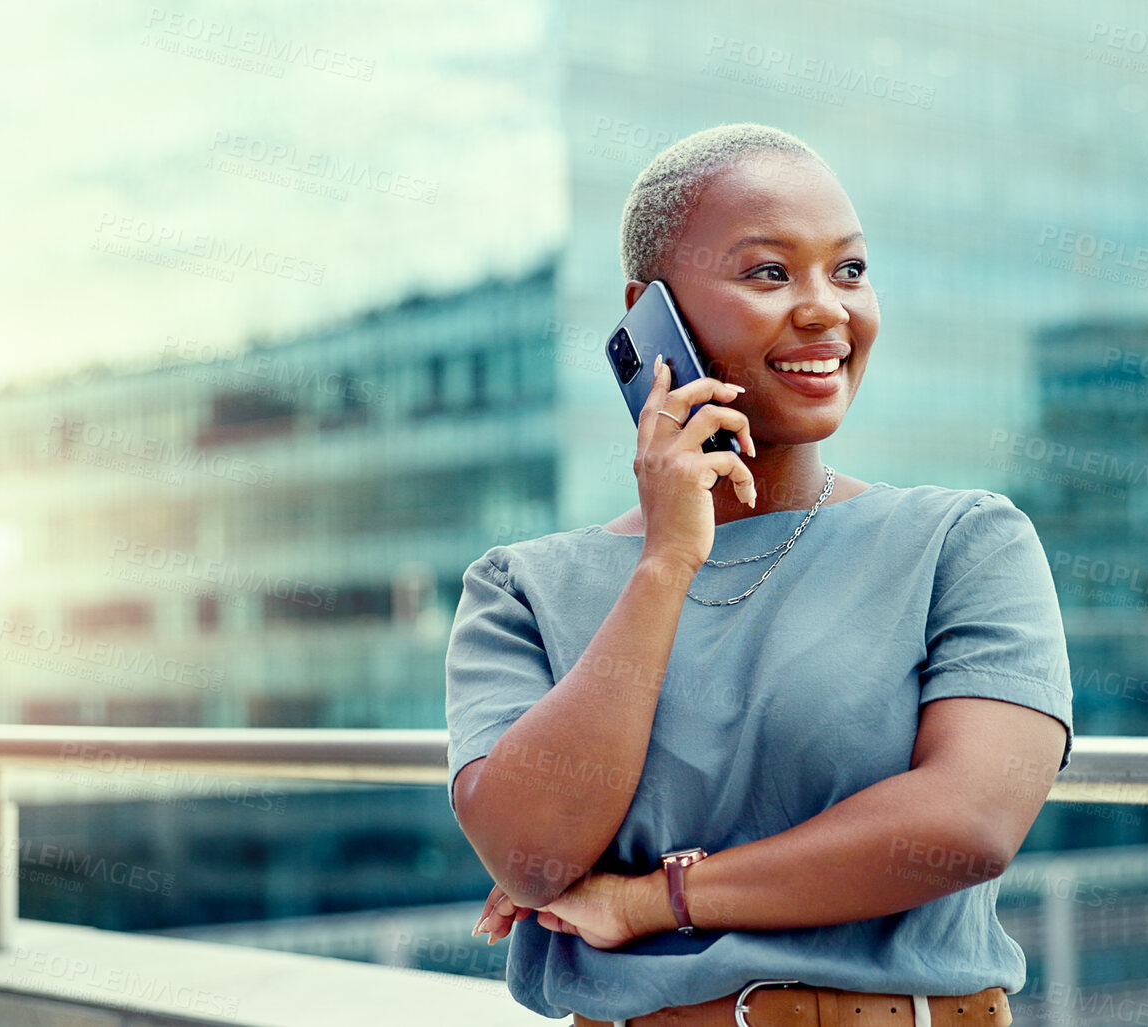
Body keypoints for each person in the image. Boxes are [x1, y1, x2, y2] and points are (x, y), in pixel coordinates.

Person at [444, 122, 1073, 1027]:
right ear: (648, 313)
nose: (824, 308)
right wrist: (666, 562)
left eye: (848, 270)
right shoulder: (522, 589)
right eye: (769, 273)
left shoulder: (962, 542)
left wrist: (650, 898)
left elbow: (964, 826)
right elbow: (533, 861)